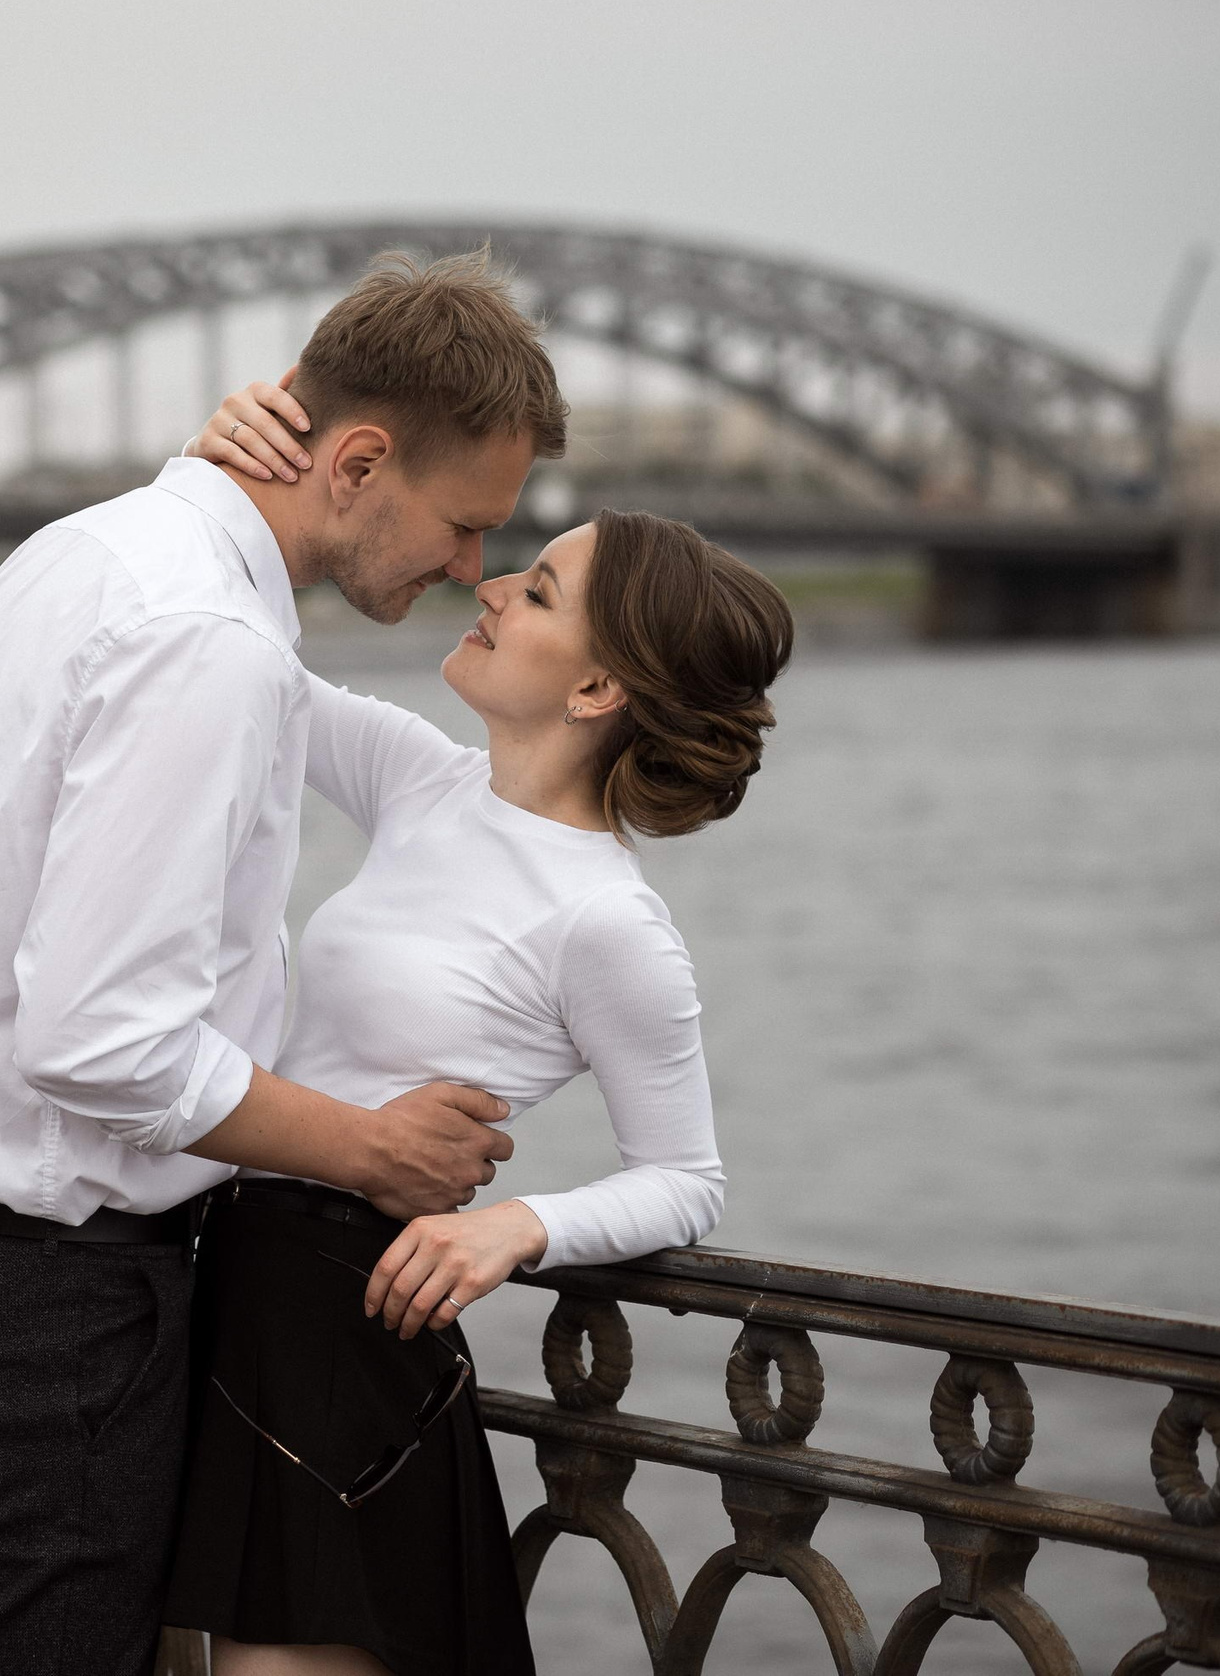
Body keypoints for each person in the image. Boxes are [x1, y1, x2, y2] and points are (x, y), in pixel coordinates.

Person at [0, 251, 569, 1676]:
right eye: (465, 525)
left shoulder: (94, 547)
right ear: (357, 460)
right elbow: (102, 1042)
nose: (469, 572)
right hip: (52, 1292)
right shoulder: (206, 644)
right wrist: (368, 1149)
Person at [162, 376, 794, 1676]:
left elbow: (687, 1180)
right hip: (240, 1288)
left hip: (359, 1331)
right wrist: (210, 469)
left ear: (599, 686)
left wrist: (517, 1225)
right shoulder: (419, 782)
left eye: (542, 592)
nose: (491, 587)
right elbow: (224, 640)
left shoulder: (608, 925)